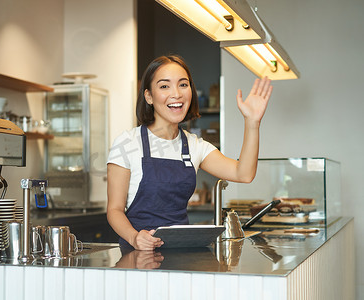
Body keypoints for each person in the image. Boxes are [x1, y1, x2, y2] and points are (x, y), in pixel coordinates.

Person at [107, 55, 273, 250]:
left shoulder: (195, 145)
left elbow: (243, 174)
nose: (176, 94)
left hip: (184, 254)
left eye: (183, 84)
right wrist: (135, 237)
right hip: (139, 257)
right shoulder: (128, 143)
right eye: (164, 86)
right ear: (148, 96)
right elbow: (114, 210)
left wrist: (252, 122)